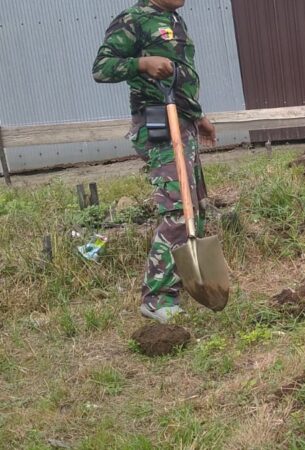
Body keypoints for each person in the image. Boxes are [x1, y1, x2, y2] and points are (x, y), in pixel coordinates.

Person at [93, 0, 216, 323]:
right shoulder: (133, 19)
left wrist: (199, 116)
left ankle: (182, 285)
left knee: (194, 208)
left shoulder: (173, 19)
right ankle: (157, 298)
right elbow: (101, 67)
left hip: (183, 121)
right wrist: (142, 64)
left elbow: (180, 78)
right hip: (158, 123)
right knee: (177, 210)